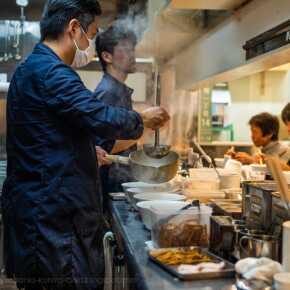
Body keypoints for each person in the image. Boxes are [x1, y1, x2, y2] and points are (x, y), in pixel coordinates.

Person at [1, 1, 170, 290]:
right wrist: (141, 119)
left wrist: (81, 149)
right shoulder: (51, 72)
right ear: (74, 28)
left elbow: (46, 136)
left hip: (43, 217)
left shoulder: (33, 68)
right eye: (91, 34)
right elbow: (98, 115)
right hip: (53, 226)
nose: (90, 44)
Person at [94, 26, 142, 195]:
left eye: (133, 49)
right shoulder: (108, 92)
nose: (132, 54)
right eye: (125, 49)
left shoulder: (117, 90)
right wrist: (144, 127)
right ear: (107, 56)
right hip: (111, 186)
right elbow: (100, 148)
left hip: (119, 183)